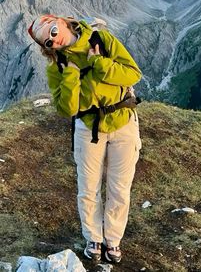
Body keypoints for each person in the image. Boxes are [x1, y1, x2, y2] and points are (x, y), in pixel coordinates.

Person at [28, 14, 142, 264]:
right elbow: (66, 108)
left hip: (123, 121)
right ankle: (94, 238)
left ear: (60, 22)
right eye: (46, 43)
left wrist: (100, 64)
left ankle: (113, 241)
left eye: (53, 32)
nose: (53, 42)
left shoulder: (102, 39)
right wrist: (71, 75)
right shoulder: (57, 67)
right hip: (88, 127)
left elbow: (133, 75)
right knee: (88, 189)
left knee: (119, 189)